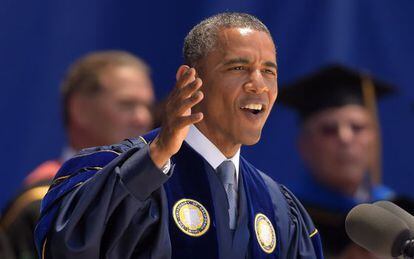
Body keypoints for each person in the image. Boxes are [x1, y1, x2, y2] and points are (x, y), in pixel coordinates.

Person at [34, 13, 324, 259]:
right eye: (239, 68)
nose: (258, 84)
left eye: (268, 71)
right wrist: (155, 157)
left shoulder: (278, 207)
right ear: (190, 78)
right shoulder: (112, 171)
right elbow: (69, 246)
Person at [0, 50, 155, 259]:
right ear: (80, 109)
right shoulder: (41, 203)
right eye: (127, 104)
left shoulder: (160, 198)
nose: (143, 118)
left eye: (148, 106)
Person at [278, 64, 413, 259]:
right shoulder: (283, 217)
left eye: (357, 128)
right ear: (304, 145)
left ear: (375, 139)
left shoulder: (402, 214)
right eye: (329, 130)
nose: (345, 138)